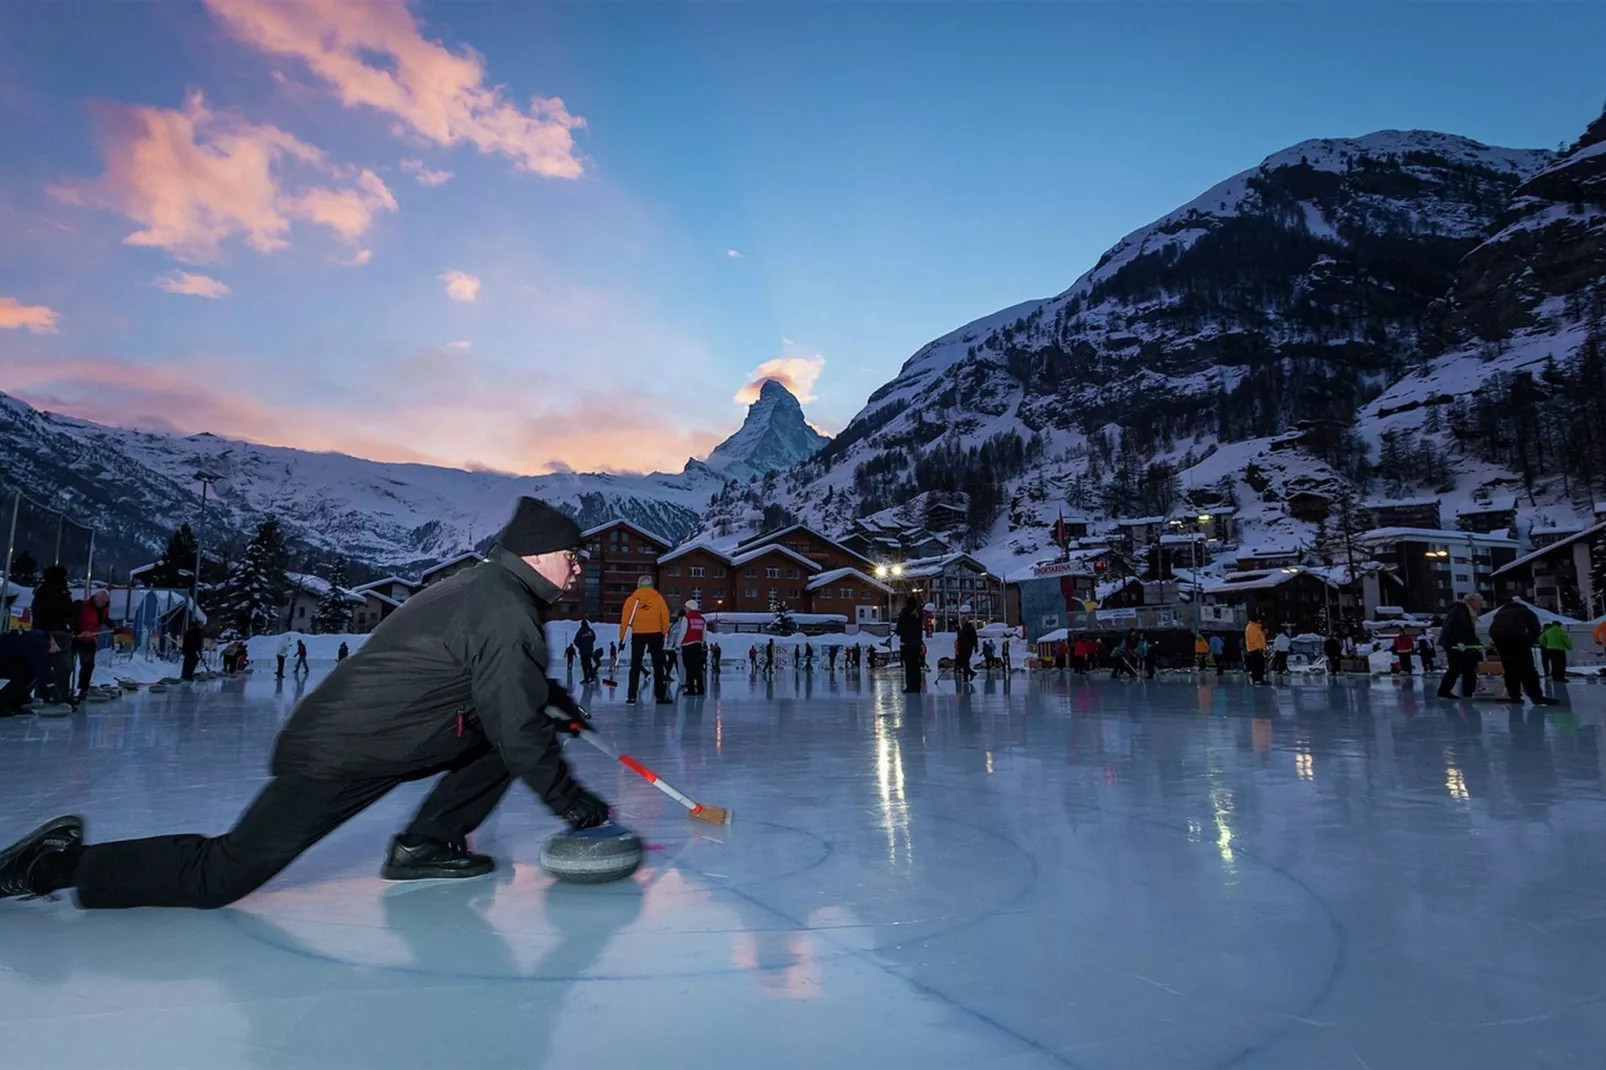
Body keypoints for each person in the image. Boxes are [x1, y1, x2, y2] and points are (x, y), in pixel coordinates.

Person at [0, 496, 614, 910]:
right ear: (537, 555)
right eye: (572, 558)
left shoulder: (488, 589)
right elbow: (513, 717)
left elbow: (502, 685)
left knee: (508, 737)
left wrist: (549, 699)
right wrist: (576, 806)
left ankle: (427, 842)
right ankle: (49, 868)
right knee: (222, 876)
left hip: (385, 738)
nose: (577, 570)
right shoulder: (505, 609)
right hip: (341, 752)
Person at [1488, 598, 1558, 706]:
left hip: (1502, 643)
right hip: (1519, 640)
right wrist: (1528, 642)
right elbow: (1535, 629)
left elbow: (1491, 631)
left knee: (1510, 671)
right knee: (1528, 670)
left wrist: (1499, 644)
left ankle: (1514, 696)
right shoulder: (1525, 612)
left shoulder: (1499, 614)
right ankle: (1536, 696)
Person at [619, 576, 670, 705]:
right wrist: (663, 632)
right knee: (658, 665)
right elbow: (665, 616)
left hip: (638, 634)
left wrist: (622, 638)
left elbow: (625, 620)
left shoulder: (632, 600)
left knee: (635, 665)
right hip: (655, 633)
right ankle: (660, 695)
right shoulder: (658, 598)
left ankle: (632, 695)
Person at [30, 564, 75, 706]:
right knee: (63, 668)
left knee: (46, 667)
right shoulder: (58, 593)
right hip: (55, 635)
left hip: (44, 634)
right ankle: (59, 696)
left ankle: (43, 696)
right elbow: (69, 611)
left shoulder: (42, 592)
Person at [1, 629, 62, 716]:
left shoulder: (40, 638)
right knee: (25, 676)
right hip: (3, 657)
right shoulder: (39, 641)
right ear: (53, 642)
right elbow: (41, 667)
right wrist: (53, 689)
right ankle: (4, 702)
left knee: (29, 673)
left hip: (7, 658)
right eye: (55, 649)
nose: (55, 652)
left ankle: (15, 701)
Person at [1436, 593, 1483, 699]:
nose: (1481, 604)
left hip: (1459, 643)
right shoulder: (1460, 611)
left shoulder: (1466, 611)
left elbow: (1468, 632)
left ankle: (1465, 692)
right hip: (1454, 644)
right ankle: (1446, 691)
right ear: (1471, 601)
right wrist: (1459, 642)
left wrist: (1477, 643)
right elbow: (1456, 629)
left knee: (1465, 667)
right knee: (1457, 668)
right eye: (1479, 602)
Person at [72, 589, 111, 701]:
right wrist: (79, 631)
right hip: (76, 638)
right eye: (103, 601)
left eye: (105, 602)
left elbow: (105, 620)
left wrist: (115, 627)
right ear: (96, 597)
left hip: (89, 640)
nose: (104, 603)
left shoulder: (102, 610)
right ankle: (64, 689)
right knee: (69, 665)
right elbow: (73, 620)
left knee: (88, 665)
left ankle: (83, 689)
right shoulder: (81, 605)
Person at [673, 599, 708, 696]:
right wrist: (701, 643)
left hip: (687, 646)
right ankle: (700, 688)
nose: (685, 609)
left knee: (689, 668)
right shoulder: (702, 619)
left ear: (689, 607)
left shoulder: (686, 618)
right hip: (697, 645)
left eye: (686, 607)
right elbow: (704, 633)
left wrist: (678, 645)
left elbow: (683, 632)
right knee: (697, 668)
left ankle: (691, 689)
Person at [896, 596, 924, 693]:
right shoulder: (918, 614)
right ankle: (917, 685)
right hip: (916, 643)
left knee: (909, 666)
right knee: (916, 665)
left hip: (907, 643)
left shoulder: (904, 614)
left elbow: (899, 630)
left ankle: (910, 686)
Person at [1244, 618, 1268, 685]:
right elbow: (1254, 640)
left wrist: (1264, 634)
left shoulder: (1256, 628)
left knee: (1260, 665)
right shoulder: (1252, 628)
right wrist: (1260, 648)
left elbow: (1260, 639)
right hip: (1255, 649)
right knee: (1257, 665)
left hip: (1258, 649)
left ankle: (1260, 678)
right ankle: (1257, 679)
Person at [955, 615, 978, 681]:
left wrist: (976, 646)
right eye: (961, 621)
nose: (961, 622)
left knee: (965, 662)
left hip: (967, 647)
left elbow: (974, 637)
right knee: (961, 662)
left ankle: (966, 677)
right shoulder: (963, 629)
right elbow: (960, 638)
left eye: (962, 621)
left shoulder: (970, 628)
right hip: (961, 647)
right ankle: (970, 673)